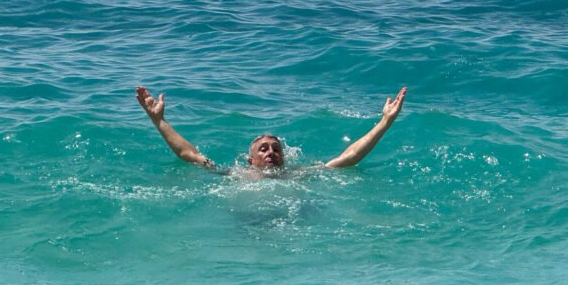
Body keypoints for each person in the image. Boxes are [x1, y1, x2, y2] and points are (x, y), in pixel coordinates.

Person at [135, 86, 407, 172]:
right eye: (263, 149)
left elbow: (348, 158)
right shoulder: (234, 175)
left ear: (285, 157)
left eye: (276, 149)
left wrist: (385, 122)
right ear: (250, 159)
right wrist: (158, 120)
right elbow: (189, 154)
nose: (270, 152)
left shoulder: (298, 175)